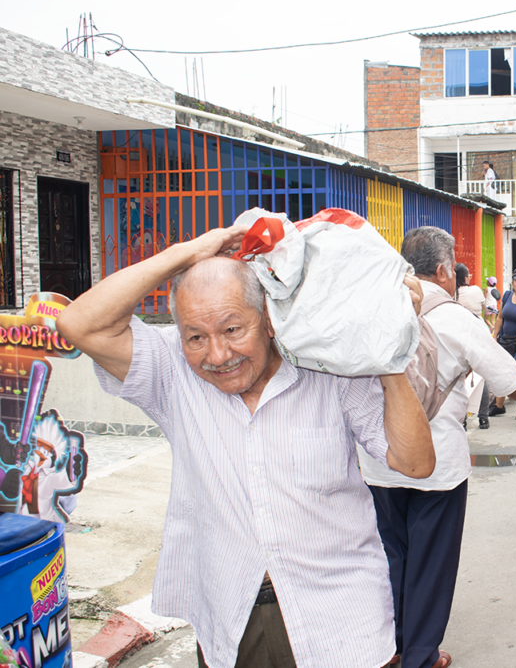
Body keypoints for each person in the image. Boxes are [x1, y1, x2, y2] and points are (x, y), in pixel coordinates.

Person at [55, 225, 436, 668]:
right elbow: (77, 323)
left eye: (233, 329)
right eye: (195, 336)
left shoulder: (330, 371)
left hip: (342, 618)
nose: (217, 355)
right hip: (231, 621)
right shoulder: (172, 373)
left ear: (270, 320)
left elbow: (415, 463)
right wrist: (190, 251)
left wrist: (386, 349)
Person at [358, 226, 516, 668]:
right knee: (431, 564)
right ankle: (421, 656)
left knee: (393, 558)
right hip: (436, 466)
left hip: (378, 458)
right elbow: (508, 378)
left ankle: (392, 648)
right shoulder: (456, 317)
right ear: (445, 270)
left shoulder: (377, 309)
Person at [455, 263, 492, 429]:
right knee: (481, 376)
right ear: (465, 277)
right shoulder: (476, 290)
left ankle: (462, 419)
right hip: (478, 334)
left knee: (460, 378)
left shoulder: (451, 294)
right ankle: (484, 418)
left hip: (459, 336)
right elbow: (483, 308)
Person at [490, 269, 516, 421]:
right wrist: (495, 336)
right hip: (505, 340)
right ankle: (499, 406)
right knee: (501, 372)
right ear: (512, 282)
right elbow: (500, 317)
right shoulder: (507, 295)